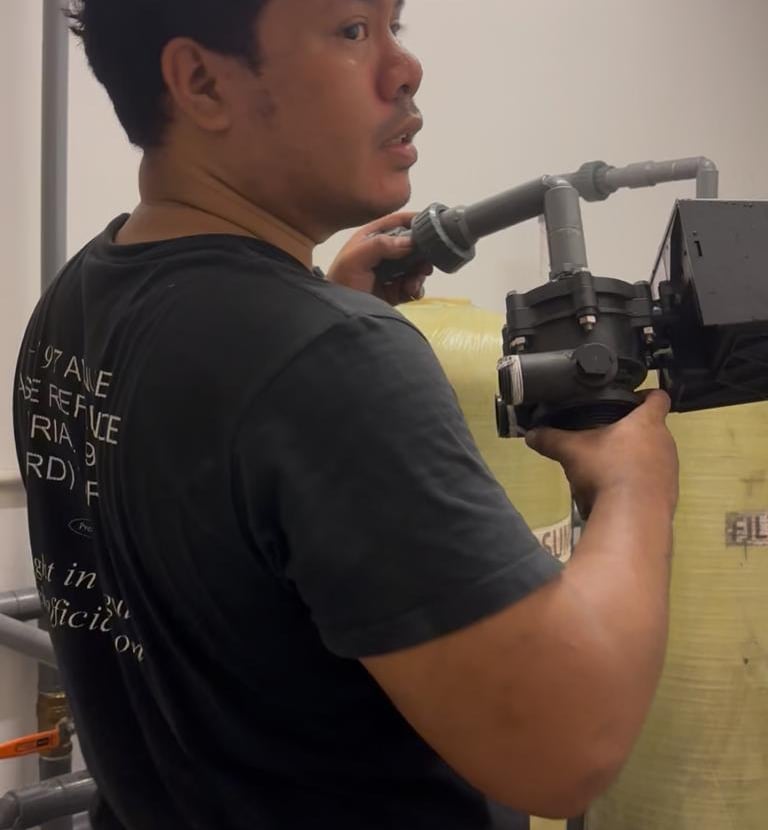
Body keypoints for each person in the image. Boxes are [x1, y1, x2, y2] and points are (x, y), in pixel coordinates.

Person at [13, 1, 679, 828]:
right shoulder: (327, 360)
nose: (405, 69)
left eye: (396, 25)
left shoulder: (76, 302)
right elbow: (566, 744)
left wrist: (314, 304)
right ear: (201, 83)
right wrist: (636, 485)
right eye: (353, 31)